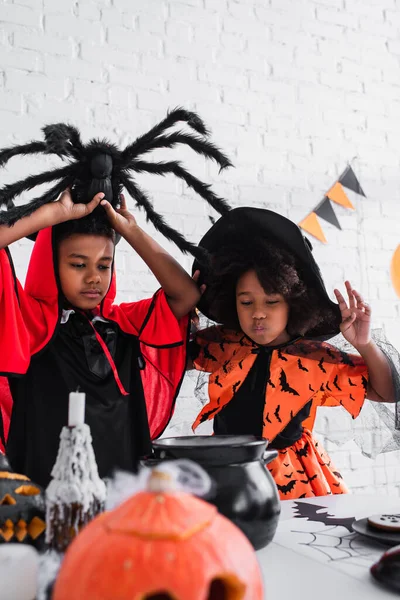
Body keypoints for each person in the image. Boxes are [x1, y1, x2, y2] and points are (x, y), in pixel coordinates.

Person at [0, 109, 231, 487]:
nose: (94, 277)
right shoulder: (30, 325)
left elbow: (185, 294)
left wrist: (132, 230)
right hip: (47, 494)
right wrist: (51, 215)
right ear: (50, 264)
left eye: (104, 265)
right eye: (78, 264)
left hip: (121, 493)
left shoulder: (124, 324)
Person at [190, 207, 399, 500]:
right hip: (226, 468)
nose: (258, 313)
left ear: (293, 302)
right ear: (232, 304)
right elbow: (167, 358)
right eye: (246, 302)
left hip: (291, 474)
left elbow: (387, 391)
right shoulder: (221, 344)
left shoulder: (314, 357)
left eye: (272, 301)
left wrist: (364, 345)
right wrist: (180, 315)